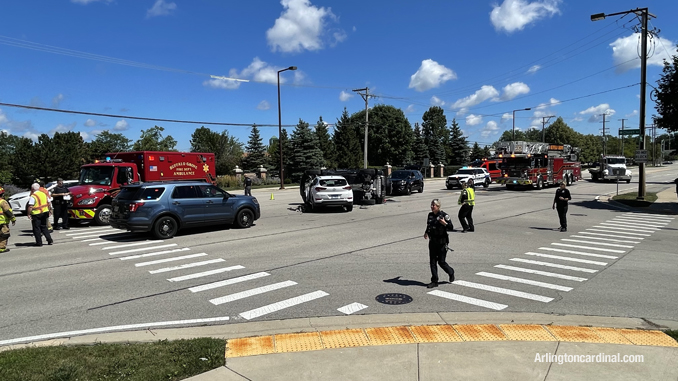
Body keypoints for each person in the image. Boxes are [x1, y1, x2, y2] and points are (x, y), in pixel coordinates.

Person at [424, 199, 455, 288]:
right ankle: (434, 281)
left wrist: (444, 223)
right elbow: (429, 225)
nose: (432, 207)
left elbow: (451, 227)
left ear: (438, 206)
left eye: (433, 205)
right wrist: (426, 232)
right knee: (432, 262)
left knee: (441, 262)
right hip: (432, 242)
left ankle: (451, 272)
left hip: (442, 243)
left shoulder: (444, 215)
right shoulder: (430, 215)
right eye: (431, 205)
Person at [0, 187, 17, 253]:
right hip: (2, 222)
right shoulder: (2, 202)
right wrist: (13, 219)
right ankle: (1, 248)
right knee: (4, 235)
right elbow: (7, 212)